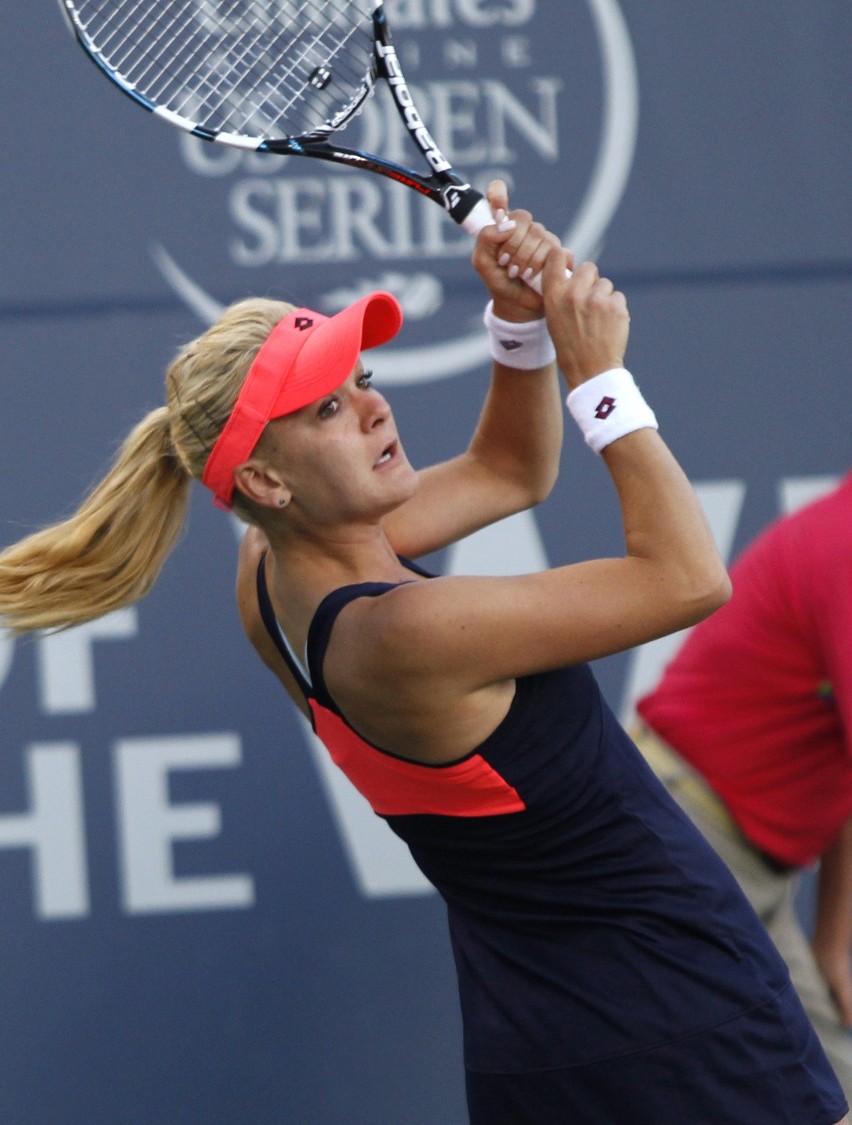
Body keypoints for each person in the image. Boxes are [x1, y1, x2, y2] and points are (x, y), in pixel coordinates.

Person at [0, 182, 847, 1125]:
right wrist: (599, 377)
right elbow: (690, 576)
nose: (369, 406)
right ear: (265, 480)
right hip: (683, 1021)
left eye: (359, 377)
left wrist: (519, 327)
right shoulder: (402, 635)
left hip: (542, 1043)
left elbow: (511, 471)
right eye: (325, 408)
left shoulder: (270, 577)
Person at [632, 473, 852, 1102]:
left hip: (746, 869)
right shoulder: (844, 547)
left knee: (829, 1092)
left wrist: (834, 944)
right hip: (684, 843)